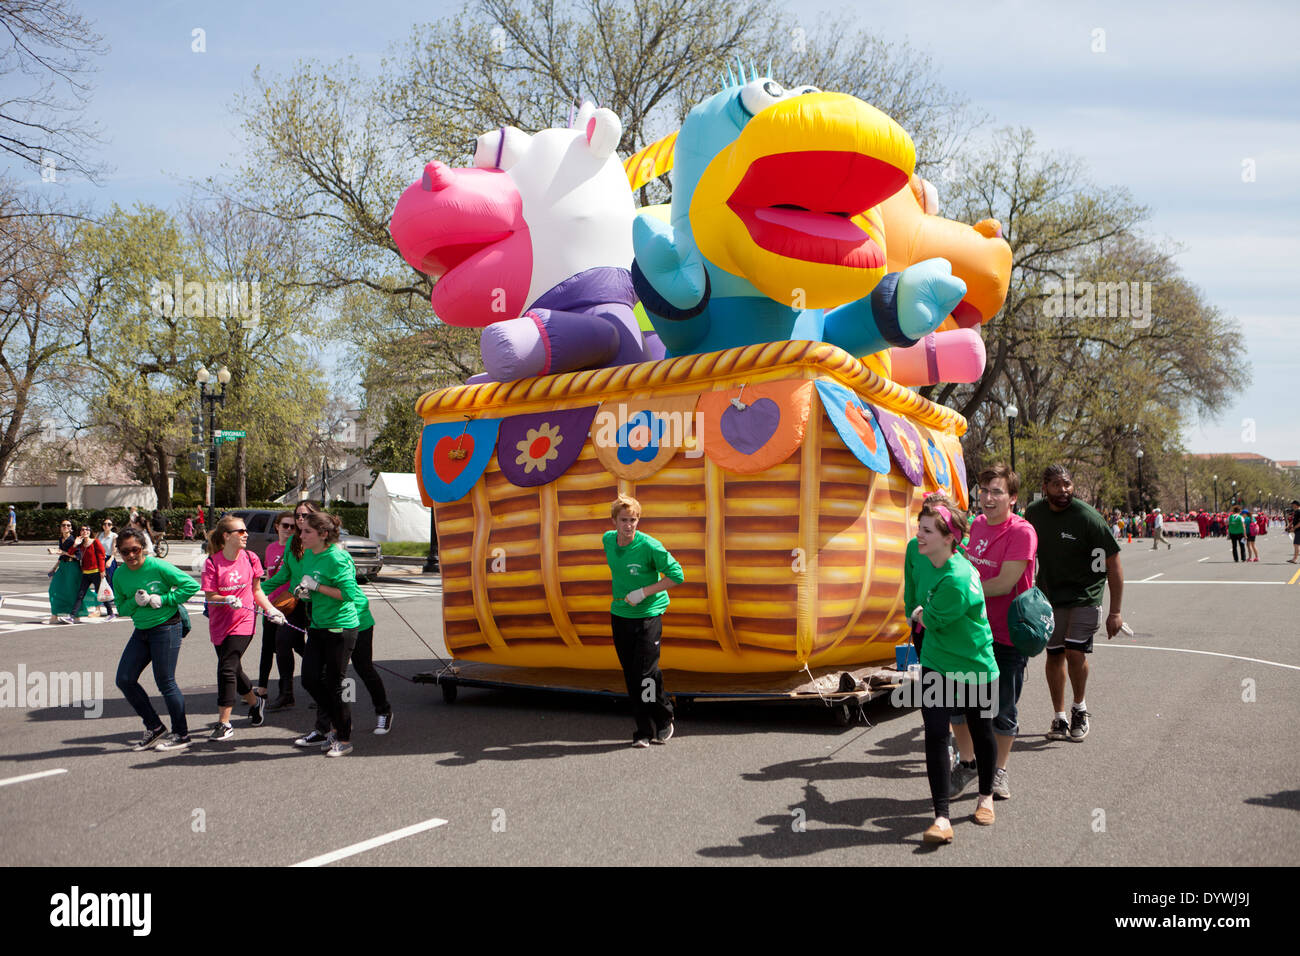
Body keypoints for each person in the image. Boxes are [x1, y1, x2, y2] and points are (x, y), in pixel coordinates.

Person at [908, 500, 998, 844]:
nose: (919, 535)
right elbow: (914, 592)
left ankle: (986, 796)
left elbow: (930, 618)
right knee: (935, 732)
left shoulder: (957, 578)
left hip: (974, 662)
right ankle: (942, 818)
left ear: (949, 538)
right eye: (919, 528)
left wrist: (920, 614)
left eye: (927, 530)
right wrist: (916, 611)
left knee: (980, 728)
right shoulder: (923, 556)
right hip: (937, 660)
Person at [951, 464, 1036, 802]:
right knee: (957, 704)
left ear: (1012, 498)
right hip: (972, 632)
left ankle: (999, 770)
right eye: (983, 490)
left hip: (1007, 635)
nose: (987, 498)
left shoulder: (1022, 532)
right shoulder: (977, 525)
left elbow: (1003, 583)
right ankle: (968, 763)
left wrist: (961, 596)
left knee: (1001, 709)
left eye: (996, 491)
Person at [1025, 465, 1126, 743]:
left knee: (1074, 652)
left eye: (1067, 484)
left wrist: (1115, 611)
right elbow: (1026, 552)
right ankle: (1059, 717)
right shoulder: (1034, 513)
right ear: (1045, 488)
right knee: (1054, 654)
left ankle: (1079, 708)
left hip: (1085, 594)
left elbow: (1113, 563)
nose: (1064, 490)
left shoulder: (1088, 517)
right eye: (1057, 485)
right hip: (1050, 594)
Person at [604, 494, 684, 748]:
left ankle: (662, 717)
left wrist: (643, 592)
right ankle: (642, 730)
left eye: (634, 520)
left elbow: (677, 576)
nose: (629, 525)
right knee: (631, 674)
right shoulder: (608, 540)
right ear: (614, 521)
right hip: (620, 615)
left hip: (648, 614)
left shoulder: (650, 546)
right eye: (624, 520)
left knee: (646, 674)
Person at [111, 527, 200, 751]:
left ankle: (181, 734)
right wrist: (135, 601)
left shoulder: (157, 566)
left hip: (166, 627)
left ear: (144, 548)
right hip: (141, 630)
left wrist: (165, 598)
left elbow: (191, 585)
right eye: (125, 552)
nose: (131, 555)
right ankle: (155, 726)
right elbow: (121, 608)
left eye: (135, 549)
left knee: (165, 682)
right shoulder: (120, 575)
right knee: (124, 679)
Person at [202, 515, 287, 741]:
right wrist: (226, 598)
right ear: (226, 536)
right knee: (234, 669)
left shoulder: (250, 558)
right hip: (220, 624)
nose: (246, 534)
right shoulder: (212, 563)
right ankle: (255, 701)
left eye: (245, 530)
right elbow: (210, 596)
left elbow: (257, 591)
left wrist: (271, 610)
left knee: (226, 669)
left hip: (244, 622)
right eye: (240, 531)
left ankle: (224, 723)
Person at [290, 511, 366, 757]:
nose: (301, 535)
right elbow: (311, 586)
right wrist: (305, 592)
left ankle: (343, 737)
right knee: (309, 679)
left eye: (307, 531)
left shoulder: (337, 557)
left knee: (335, 683)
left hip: (341, 628)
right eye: (301, 531)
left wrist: (317, 587)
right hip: (318, 626)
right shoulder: (310, 555)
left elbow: (349, 594)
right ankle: (336, 722)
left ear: (323, 534)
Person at [261, 502, 319, 711]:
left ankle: (322, 690)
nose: (300, 519)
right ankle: (286, 694)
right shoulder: (292, 544)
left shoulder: (323, 543)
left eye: (305, 515)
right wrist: (256, 591)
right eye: (298, 515)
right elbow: (285, 574)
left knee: (317, 649)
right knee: (282, 642)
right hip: (295, 603)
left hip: (318, 605)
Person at [255, 510, 299, 708]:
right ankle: (262, 688)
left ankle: (288, 691)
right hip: (271, 602)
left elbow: (290, 576)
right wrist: (259, 595)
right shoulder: (271, 548)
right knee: (268, 646)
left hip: (289, 603)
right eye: (285, 526)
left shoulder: (295, 549)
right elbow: (270, 577)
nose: (289, 530)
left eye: (292, 527)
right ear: (277, 527)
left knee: (289, 645)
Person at [48, 519, 87, 625]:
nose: (65, 527)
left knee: (72, 591)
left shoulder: (74, 540)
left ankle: (77, 615)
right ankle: (54, 615)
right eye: (63, 525)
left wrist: (63, 552)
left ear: (71, 528)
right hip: (63, 566)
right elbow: (61, 555)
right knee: (53, 589)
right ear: (60, 528)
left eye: (68, 525)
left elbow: (78, 556)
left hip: (72, 567)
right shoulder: (61, 539)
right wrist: (54, 567)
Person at [72, 523, 108, 621]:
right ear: (80, 532)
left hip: (96, 572)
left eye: (87, 529)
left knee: (101, 594)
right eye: (83, 530)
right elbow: (71, 553)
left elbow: (101, 556)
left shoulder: (95, 542)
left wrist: (102, 570)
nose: (85, 531)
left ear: (90, 531)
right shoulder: (81, 545)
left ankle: (111, 613)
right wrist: (75, 544)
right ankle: (72, 616)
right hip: (86, 573)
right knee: (80, 595)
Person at [96, 518, 119, 620]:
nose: (106, 526)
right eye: (105, 524)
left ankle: (110, 601)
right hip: (99, 560)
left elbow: (114, 550)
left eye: (109, 524)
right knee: (100, 581)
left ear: (112, 526)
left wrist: (110, 560)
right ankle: (102, 601)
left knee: (109, 581)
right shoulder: (99, 535)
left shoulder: (114, 536)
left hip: (109, 559)